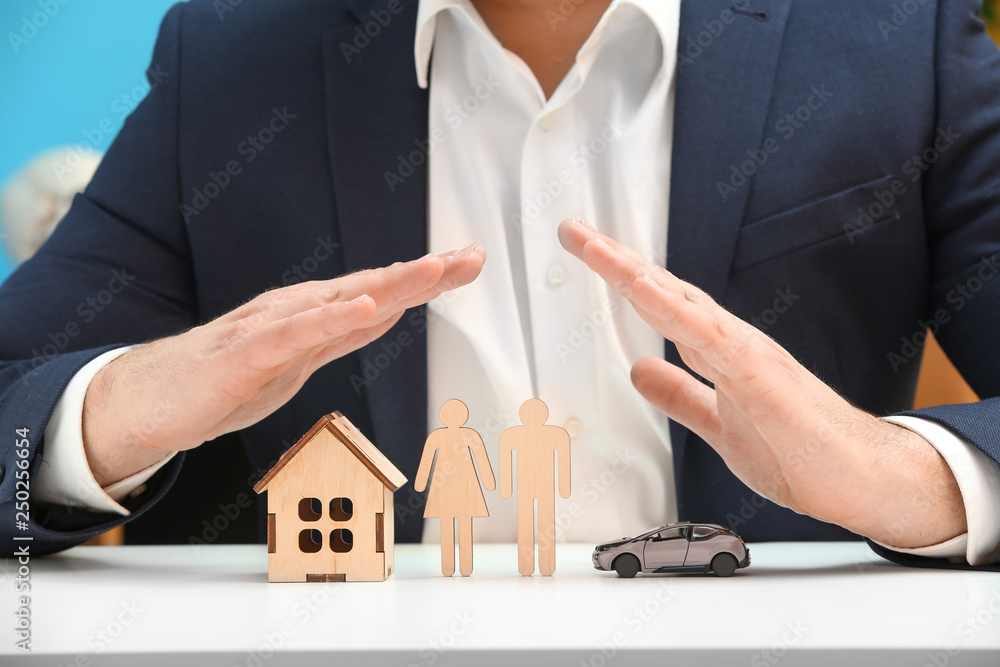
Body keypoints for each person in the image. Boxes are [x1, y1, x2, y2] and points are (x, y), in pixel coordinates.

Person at [1, 0, 998, 571]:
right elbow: (16, 401)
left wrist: (894, 479)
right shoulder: (230, 58)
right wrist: (110, 414)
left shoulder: (896, 43)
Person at [415, 399, 496, 576]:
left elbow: (480, 458)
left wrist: (421, 483)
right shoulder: (440, 437)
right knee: (455, 524)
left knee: (456, 524)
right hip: (448, 484)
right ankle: (452, 566)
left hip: (462, 484)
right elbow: (427, 459)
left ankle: (460, 566)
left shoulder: (464, 436)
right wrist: (488, 481)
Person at [499, 398, 572, 576]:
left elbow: (563, 461)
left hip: (541, 486)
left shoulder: (557, 434)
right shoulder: (512, 435)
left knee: (541, 525)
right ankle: (528, 565)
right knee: (529, 525)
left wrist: (564, 487)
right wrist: (506, 487)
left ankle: (543, 565)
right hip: (529, 486)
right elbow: (505, 461)